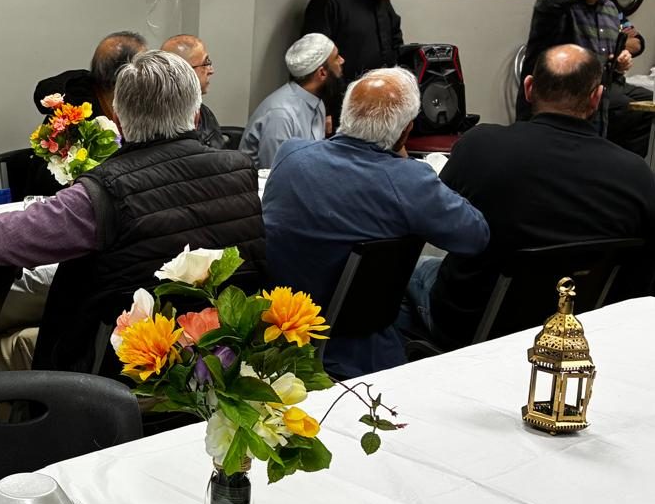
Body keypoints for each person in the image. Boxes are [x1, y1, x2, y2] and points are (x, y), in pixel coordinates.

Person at [0, 50, 264, 373]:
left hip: (119, 373)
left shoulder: (105, 190)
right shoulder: (242, 173)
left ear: (119, 122)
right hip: (222, 359)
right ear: (197, 115)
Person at [409, 45, 655, 347]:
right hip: (579, 334)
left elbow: (434, 221)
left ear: (528, 88)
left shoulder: (480, 146)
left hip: (473, 329)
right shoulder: (637, 175)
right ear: (597, 97)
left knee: (407, 273)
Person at [261, 68, 488, 378]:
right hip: (360, 349)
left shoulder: (291, 155)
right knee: (424, 272)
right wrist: (403, 161)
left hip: (278, 333)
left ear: (345, 116)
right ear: (406, 132)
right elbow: (476, 236)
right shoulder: (409, 181)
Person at [521, 0, 651, 155]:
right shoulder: (556, 4)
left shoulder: (610, 10)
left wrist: (618, 64)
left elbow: (606, 62)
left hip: (594, 113)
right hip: (552, 114)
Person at [239, 33, 343, 168]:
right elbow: (277, 173)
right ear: (322, 73)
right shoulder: (281, 115)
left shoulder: (318, 104)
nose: (342, 60)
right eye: (336, 57)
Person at [33, 30, 147, 122]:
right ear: (124, 73)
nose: (152, 67)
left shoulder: (140, 99)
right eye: (145, 63)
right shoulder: (75, 115)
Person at [161, 34, 224, 149]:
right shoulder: (155, 119)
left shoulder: (204, 113)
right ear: (184, 71)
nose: (211, 70)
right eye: (206, 63)